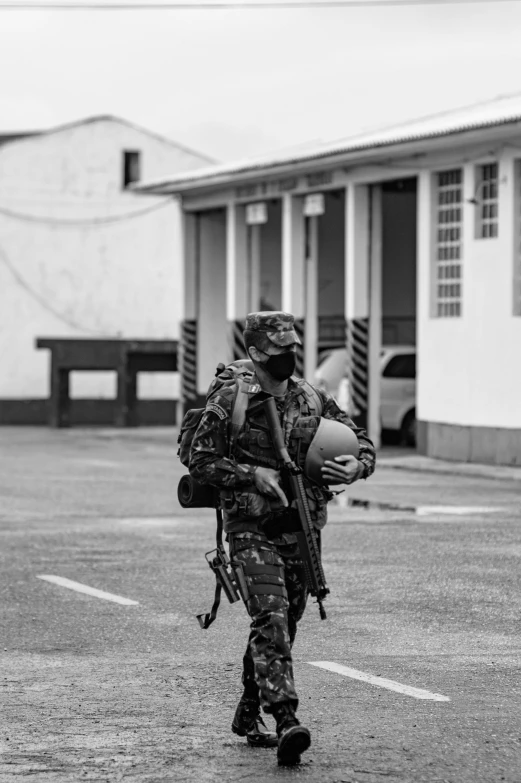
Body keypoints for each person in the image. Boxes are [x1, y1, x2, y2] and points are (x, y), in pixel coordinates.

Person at [189, 311, 376, 766]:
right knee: (270, 617)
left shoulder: (310, 396)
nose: (287, 358)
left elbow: (361, 442)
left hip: (301, 529)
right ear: (254, 353)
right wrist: (251, 473)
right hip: (250, 528)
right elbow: (200, 460)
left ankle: (248, 712)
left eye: (292, 349)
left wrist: (359, 465)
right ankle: (287, 719)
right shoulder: (231, 398)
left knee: (284, 626)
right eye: (278, 352)